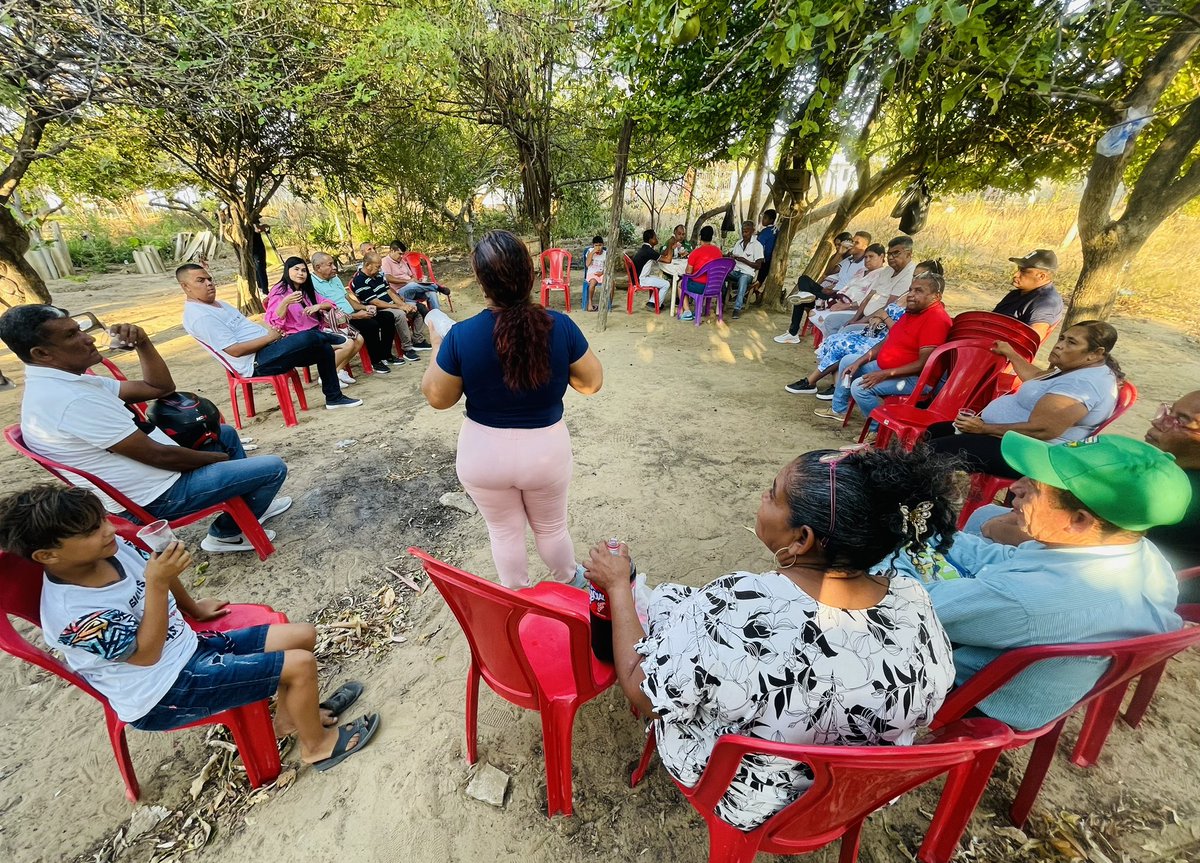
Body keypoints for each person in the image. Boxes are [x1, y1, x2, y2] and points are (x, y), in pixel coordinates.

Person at [584, 446, 957, 830]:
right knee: (677, 607)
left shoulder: (736, 606)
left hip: (751, 798)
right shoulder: (914, 601)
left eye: (773, 493)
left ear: (801, 540)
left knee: (665, 614)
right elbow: (930, 700)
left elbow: (644, 693)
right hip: (852, 796)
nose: (763, 497)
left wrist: (616, 585)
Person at [0, 484, 379, 771]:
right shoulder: (73, 616)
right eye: (89, 531)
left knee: (302, 635)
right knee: (299, 665)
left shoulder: (110, 550)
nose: (106, 530)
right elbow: (146, 655)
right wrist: (157, 582)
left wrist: (192, 606)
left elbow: (155, 564)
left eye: (100, 519)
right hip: (161, 691)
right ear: (47, 556)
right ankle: (318, 747)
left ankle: (288, 718)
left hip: (188, 648)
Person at [893, 433, 1189, 731]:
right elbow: (1008, 558)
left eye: (1033, 487)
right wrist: (932, 535)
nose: (1014, 487)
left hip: (972, 696)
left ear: (1079, 520)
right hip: (1044, 676)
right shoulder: (1139, 552)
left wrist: (884, 543)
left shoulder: (1028, 599)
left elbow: (902, 610)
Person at [0, 303, 292, 554]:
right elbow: (161, 457)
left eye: (80, 329)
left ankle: (248, 508)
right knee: (271, 467)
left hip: (155, 475)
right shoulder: (69, 400)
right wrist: (219, 460)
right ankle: (226, 534)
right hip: (154, 498)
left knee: (224, 434)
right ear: (42, 354)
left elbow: (159, 388)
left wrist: (143, 342)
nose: (88, 339)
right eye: (72, 335)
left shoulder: (68, 382)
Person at [419, 230, 604, 589]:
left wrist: (437, 343)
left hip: (482, 454)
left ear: (481, 282)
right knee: (551, 528)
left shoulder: (461, 336)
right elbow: (591, 383)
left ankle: (518, 597)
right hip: (545, 453)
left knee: (503, 533)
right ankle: (570, 583)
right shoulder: (560, 326)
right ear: (531, 274)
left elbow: (438, 398)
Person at [970, 391, 1200, 599]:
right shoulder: (1156, 469)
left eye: (1179, 420)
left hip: (1097, 578)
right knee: (987, 516)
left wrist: (995, 528)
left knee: (983, 523)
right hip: (1093, 556)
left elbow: (1078, 541)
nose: (1157, 420)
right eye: (1168, 410)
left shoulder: (1173, 496)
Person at [926, 321, 1122, 476]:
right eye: (1062, 338)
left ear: (1096, 354)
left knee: (936, 451)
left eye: (1071, 343)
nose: (1059, 346)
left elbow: (1042, 430)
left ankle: (928, 506)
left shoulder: (1082, 384)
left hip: (1031, 453)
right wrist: (1011, 353)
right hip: (1009, 438)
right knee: (934, 432)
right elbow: (1037, 378)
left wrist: (984, 429)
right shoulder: (1076, 369)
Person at [178, 265, 363, 412]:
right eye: (201, 281)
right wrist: (270, 337)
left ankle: (334, 398)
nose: (209, 283)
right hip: (256, 363)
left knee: (322, 349)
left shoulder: (220, 305)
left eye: (209, 279)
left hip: (270, 348)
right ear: (185, 286)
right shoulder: (201, 316)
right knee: (308, 337)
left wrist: (272, 337)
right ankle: (336, 338)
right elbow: (235, 350)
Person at [815, 270, 953, 431]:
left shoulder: (936, 319)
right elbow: (886, 341)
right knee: (848, 360)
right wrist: (859, 361)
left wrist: (883, 375)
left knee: (860, 388)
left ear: (936, 297)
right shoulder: (913, 312)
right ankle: (838, 410)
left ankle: (877, 429)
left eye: (919, 291)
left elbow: (923, 364)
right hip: (888, 368)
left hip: (914, 379)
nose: (910, 295)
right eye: (910, 290)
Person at [266, 257, 364, 387]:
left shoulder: (305, 289)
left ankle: (337, 371)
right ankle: (327, 376)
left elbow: (330, 304)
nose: (301, 273)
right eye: (296, 270)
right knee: (347, 344)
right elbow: (275, 322)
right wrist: (285, 302)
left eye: (303, 270)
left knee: (359, 339)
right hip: (297, 337)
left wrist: (318, 306)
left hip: (317, 330)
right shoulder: (280, 291)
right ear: (287, 271)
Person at [309, 252, 397, 375]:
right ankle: (375, 361)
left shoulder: (335, 278)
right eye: (330, 265)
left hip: (352, 313)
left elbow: (350, 301)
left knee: (387, 316)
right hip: (338, 321)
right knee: (371, 325)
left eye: (333, 263)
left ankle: (386, 355)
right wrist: (356, 316)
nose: (335, 267)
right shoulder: (312, 284)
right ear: (318, 267)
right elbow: (326, 314)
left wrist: (365, 307)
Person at [349, 252, 431, 363]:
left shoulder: (378, 276)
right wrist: (399, 307)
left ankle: (418, 340)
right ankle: (407, 349)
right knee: (400, 314)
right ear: (368, 265)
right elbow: (376, 303)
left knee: (417, 308)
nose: (379, 269)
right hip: (380, 309)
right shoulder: (359, 281)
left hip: (392, 305)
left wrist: (404, 305)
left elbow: (390, 293)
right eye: (377, 266)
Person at [992, 249, 1064, 340]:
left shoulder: (1045, 304)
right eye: (1018, 269)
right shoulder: (1020, 292)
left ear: (1042, 276)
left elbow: (1032, 340)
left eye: (1023, 271)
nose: (1015, 274)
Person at [381, 240, 450, 310]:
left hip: (413, 289)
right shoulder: (385, 261)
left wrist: (418, 281)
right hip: (400, 292)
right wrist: (407, 281)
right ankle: (436, 287)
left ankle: (437, 315)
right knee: (412, 284)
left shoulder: (402, 261)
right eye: (400, 254)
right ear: (392, 250)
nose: (402, 256)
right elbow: (388, 278)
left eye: (403, 254)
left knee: (431, 293)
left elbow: (411, 276)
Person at [679, 225, 723, 321]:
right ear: (711, 237)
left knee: (681, 284)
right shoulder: (718, 252)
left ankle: (687, 311)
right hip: (715, 286)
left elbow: (688, 272)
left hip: (700, 287)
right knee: (700, 280)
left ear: (700, 237)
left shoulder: (695, 253)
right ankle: (698, 311)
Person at [726, 220, 765, 320]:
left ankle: (737, 308)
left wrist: (744, 260)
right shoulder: (738, 243)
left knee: (743, 280)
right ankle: (723, 298)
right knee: (720, 274)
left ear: (752, 231)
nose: (744, 234)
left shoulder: (757, 245)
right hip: (735, 271)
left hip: (747, 273)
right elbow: (733, 256)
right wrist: (731, 257)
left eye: (747, 232)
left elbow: (758, 266)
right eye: (743, 231)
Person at [630, 229, 671, 310]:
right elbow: (668, 260)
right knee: (666, 284)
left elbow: (661, 255)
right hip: (641, 280)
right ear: (650, 240)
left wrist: (670, 247)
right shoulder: (649, 251)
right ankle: (657, 305)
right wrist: (670, 245)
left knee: (660, 280)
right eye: (655, 237)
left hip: (637, 278)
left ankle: (652, 302)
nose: (657, 239)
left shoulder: (645, 249)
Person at [753, 209, 778, 305]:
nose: (763, 220)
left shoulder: (766, 232)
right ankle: (755, 294)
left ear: (771, 220)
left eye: (765, 218)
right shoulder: (775, 230)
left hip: (763, 259)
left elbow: (759, 244)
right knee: (760, 279)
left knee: (756, 279)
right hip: (771, 260)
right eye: (763, 217)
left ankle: (757, 294)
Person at [584, 236, 607, 311]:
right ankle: (590, 303)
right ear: (593, 245)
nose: (598, 247)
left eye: (600, 245)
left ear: (603, 245)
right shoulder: (590, 251)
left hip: (602, 273)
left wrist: (603, 272)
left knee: (611, 283)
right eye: (596, 245)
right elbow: (587, 264)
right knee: (592, 283)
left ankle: (607, 304)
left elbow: (608, 266)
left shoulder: (605, 253)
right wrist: (593, 252)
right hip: (592, 273)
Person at [250, 223, 270, 295]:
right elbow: (257, 229)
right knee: (260, 268)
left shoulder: (252, 219)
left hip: (258, 245)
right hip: (255, 248)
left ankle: (261, 288)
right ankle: (264, 290)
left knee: (259, 268)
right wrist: (263, 227)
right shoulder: (249, 220)